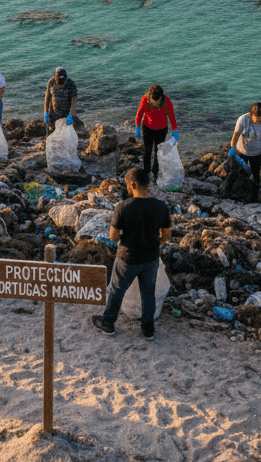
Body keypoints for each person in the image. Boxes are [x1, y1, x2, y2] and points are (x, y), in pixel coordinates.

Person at [92, 168, 172, 340]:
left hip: (127, 258)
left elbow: (113, 236)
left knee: (116, 290)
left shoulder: (123, 207)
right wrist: (155, 243)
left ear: (133, 184)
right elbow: (166, 234)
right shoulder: (161, 206)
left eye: (129, 185)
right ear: (147, 184)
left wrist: (128, 236)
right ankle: (148, 329)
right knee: (148, 293)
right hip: (151, 258)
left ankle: (108, 323)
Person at [135, 85, 178, 185]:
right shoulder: (144, 99)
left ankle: (155, 173)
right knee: (147, 151)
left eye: (157, 100)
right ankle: (146, 172)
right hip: (147, 128)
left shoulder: (167, 101)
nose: (155, 103)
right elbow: (139, 114)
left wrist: (175, 130)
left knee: (158, 152)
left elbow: (171, 116)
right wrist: (137, 126)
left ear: (161, 97)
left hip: (161, 130)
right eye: (153, 101)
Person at [229, 102, 261, 185]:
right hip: (242, 152)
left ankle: (256, 187)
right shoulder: (242, 120)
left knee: (256, 173)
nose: (260, 119)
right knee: (241, 172)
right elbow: (236, 135)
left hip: (257, 153)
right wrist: (232, 147)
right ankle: (242, 187)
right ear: (251, 114)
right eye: (258, 117)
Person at [44, 66, 78, 134]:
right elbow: (47, 98)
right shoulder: (51, 82)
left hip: (66, 116)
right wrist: (46, 112)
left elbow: (74, 101)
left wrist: (71, 114)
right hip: (53, 115)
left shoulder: (71, 84)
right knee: (52, 134)